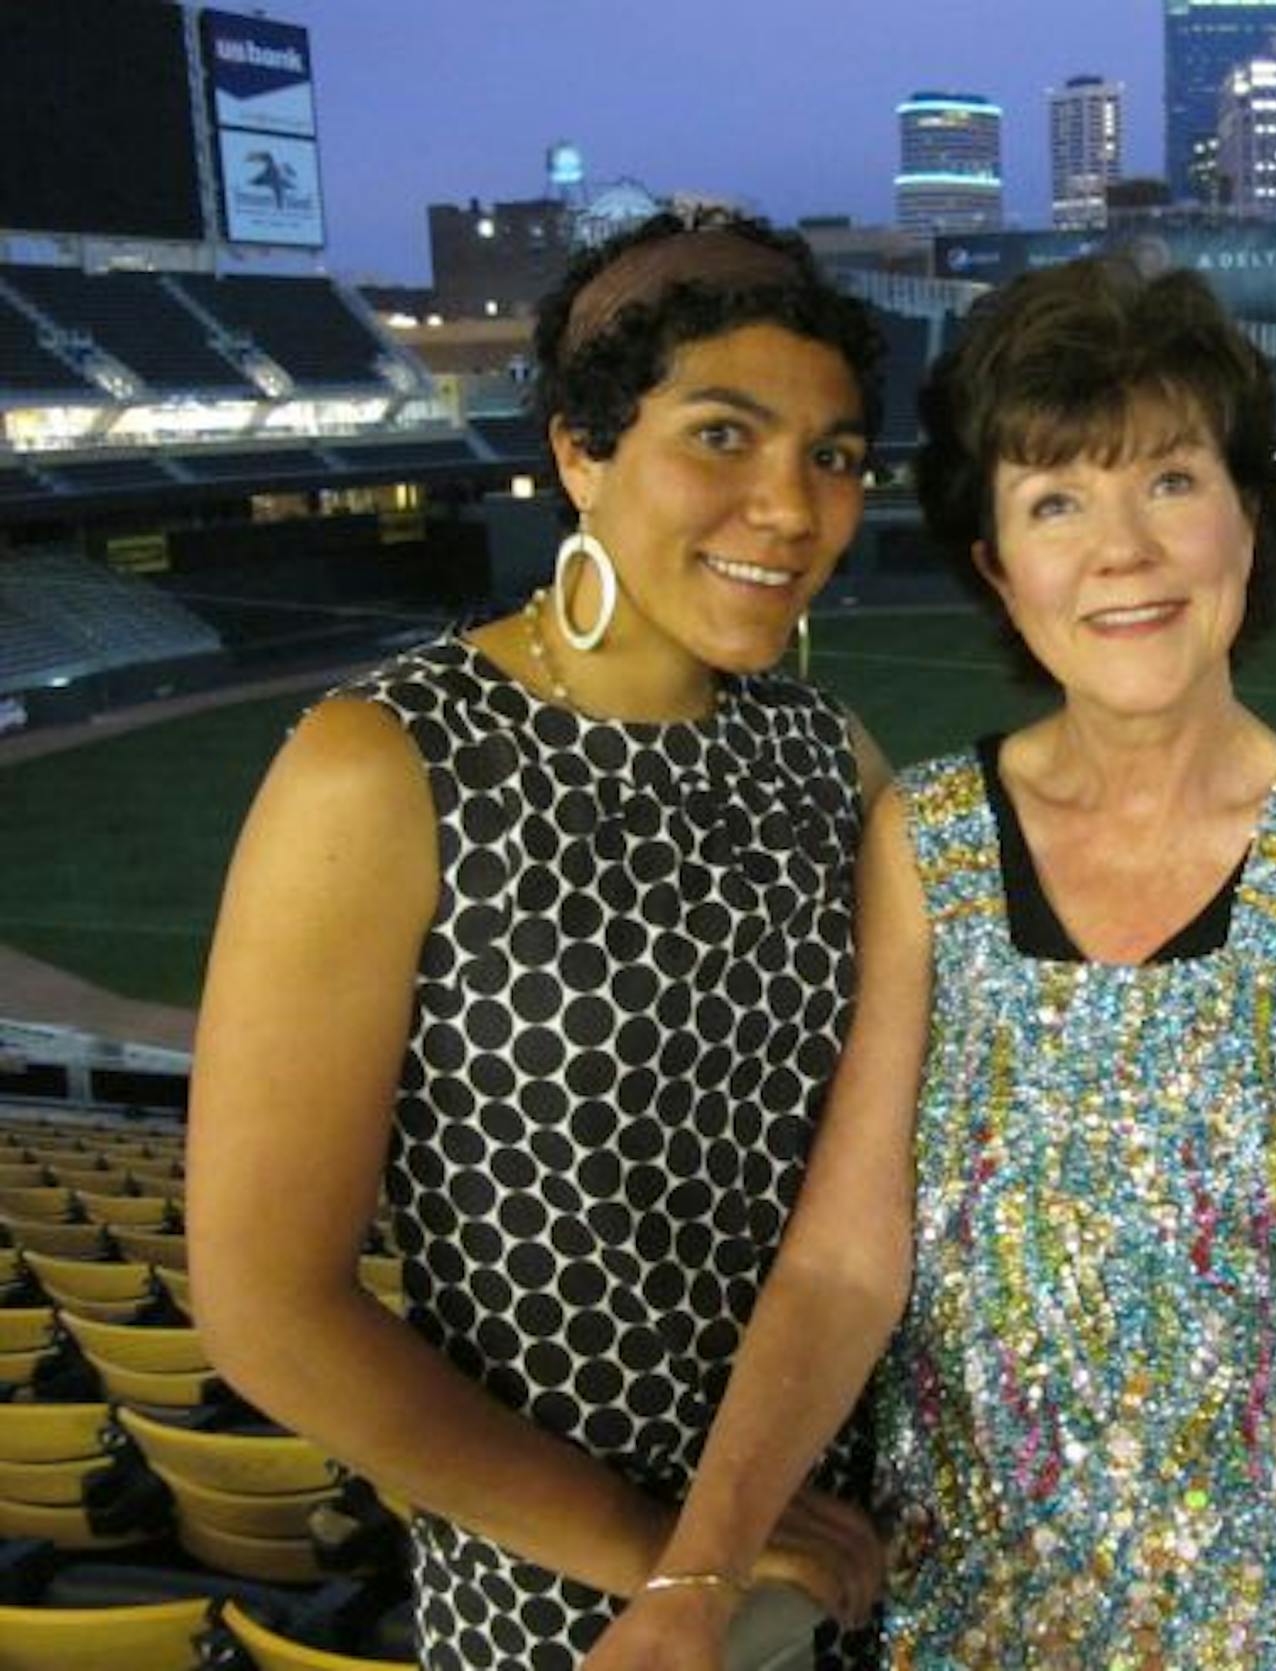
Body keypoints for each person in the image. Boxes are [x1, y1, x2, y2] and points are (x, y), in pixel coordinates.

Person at [587, 258, 1276, 1670]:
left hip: (1271, 1629)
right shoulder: (922, 837)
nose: (1124, 554)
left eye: (1171, 481)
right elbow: (845, 1263)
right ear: (998, 563)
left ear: (1249, 513)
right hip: (968, 1620)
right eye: (1058, 502)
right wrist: (693, 1584)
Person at [188, 209, 891, 1671]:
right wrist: (680, 1572)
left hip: (852, 1563)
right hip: (577, 1611)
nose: (790, 505)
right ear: (580, 451)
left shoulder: (829, 756)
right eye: (722, 435)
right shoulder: (386, 763)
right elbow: (268, 1306)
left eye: (832, 454)